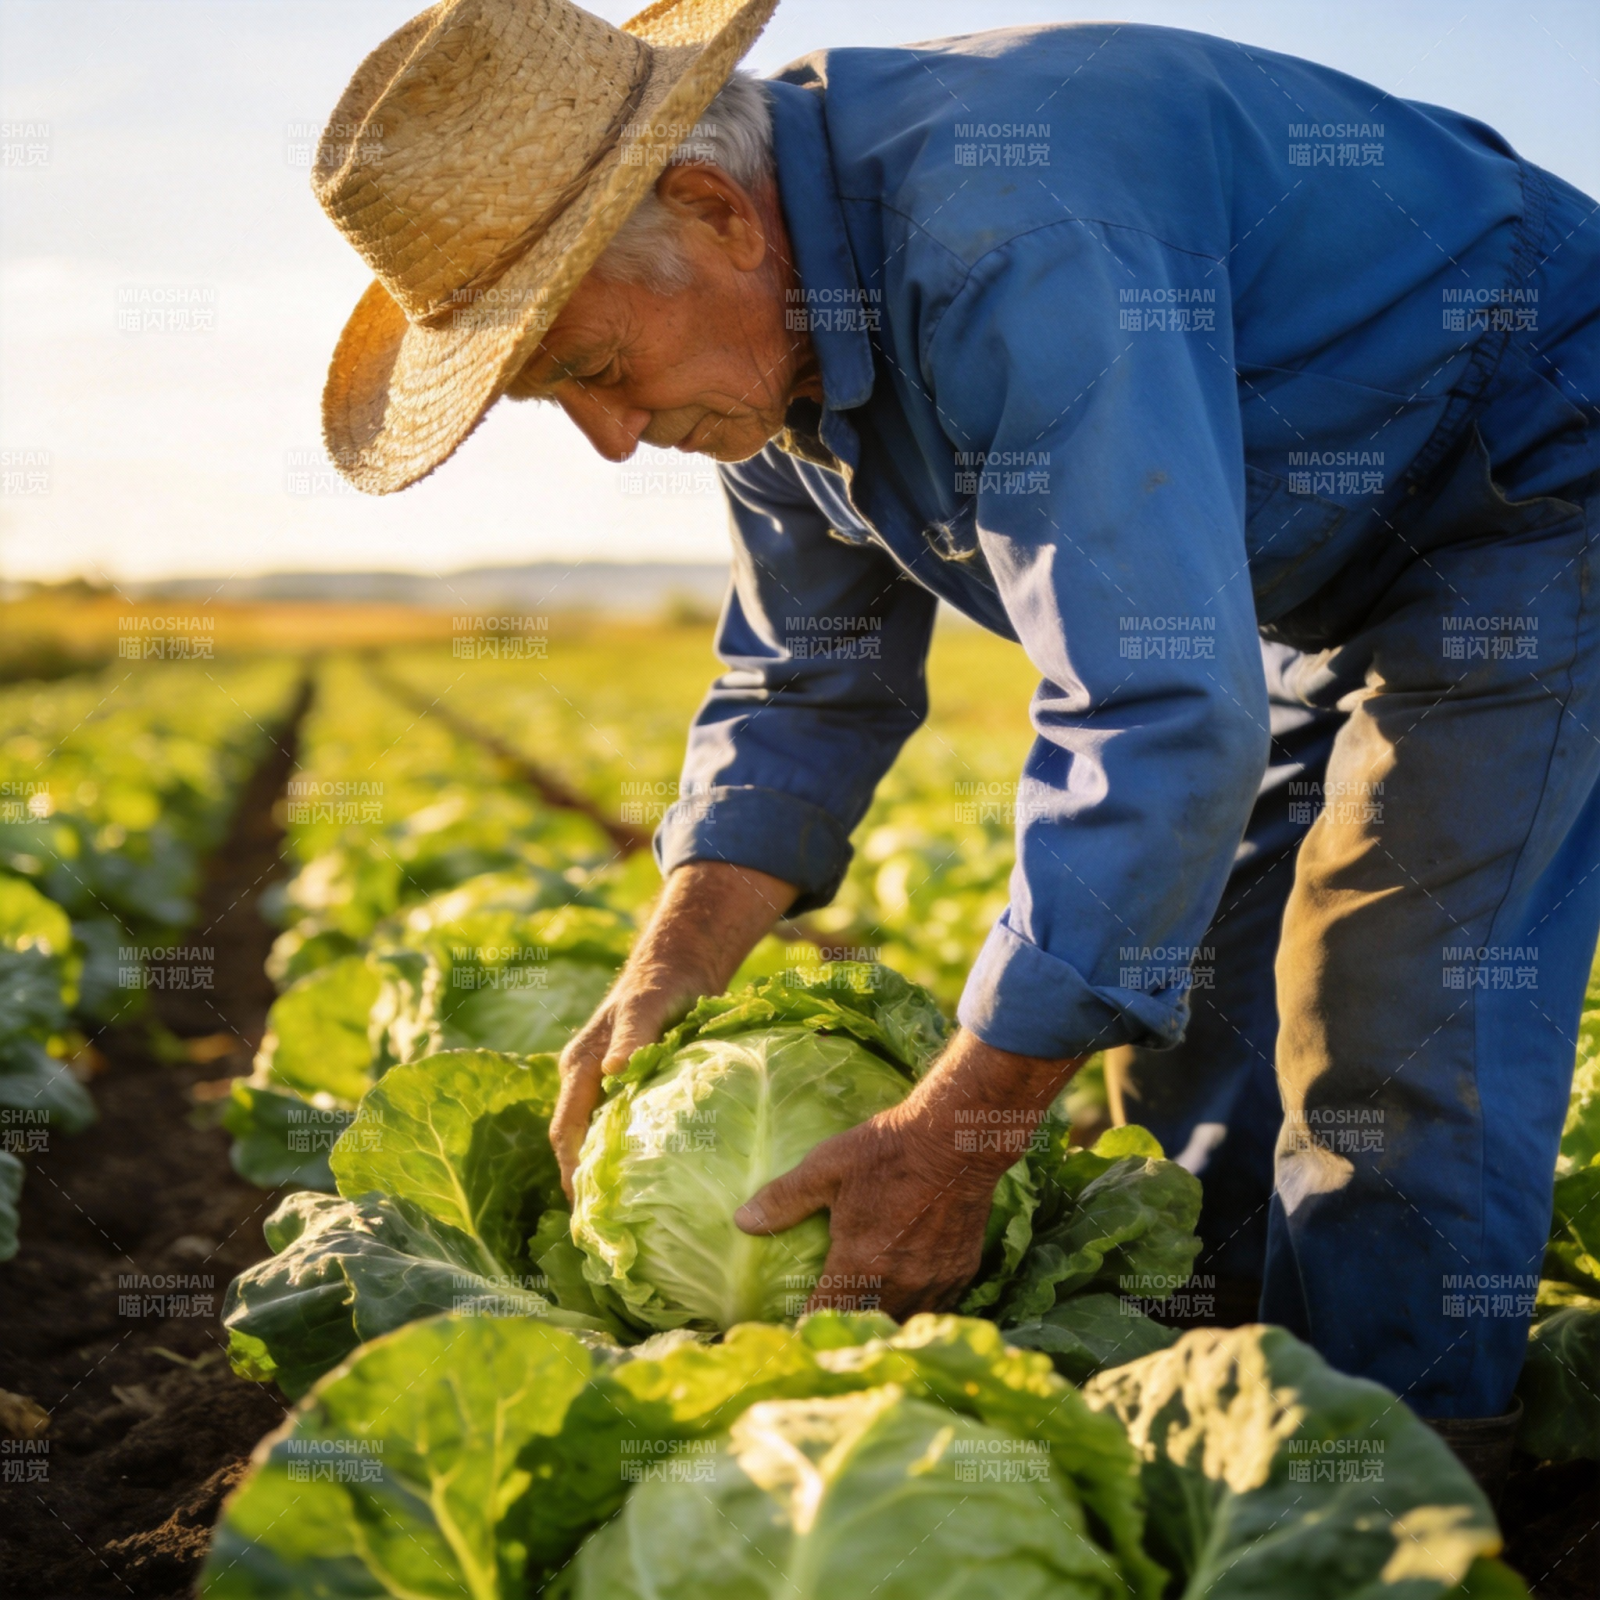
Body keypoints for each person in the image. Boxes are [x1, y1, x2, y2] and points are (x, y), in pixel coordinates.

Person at [311, 0, 1600, 1452]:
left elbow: (1158, 706)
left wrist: (968, 1133)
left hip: (1542, 476)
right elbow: (805, 680)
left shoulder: (1002, 233)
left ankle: (1404, 1488)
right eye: (560, 399)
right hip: (1319, 564)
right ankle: (1236, 1401)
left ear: (713, 208)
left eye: (595, 368)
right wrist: (671, 962)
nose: (612, 437)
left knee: (1393, 996)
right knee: (1199, 1027)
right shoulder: (768, 364)